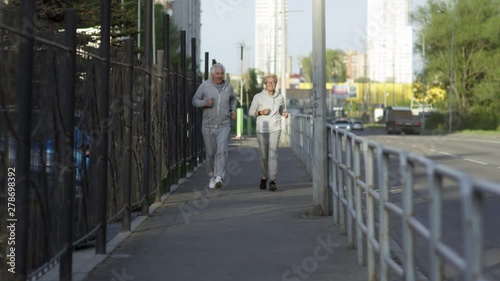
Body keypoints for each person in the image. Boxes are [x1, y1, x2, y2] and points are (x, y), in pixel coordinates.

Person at [192, 63, 237, 189]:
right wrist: (205, 102)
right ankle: (212, 176)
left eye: (222, 73)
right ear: (212, 74)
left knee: (221, 151)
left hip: (224, 124)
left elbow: (233, 99)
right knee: (211, 153)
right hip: (208, 125)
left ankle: (219, 177)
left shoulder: (228, 86)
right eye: (217, 74)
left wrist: (233, 110)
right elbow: (194, 100)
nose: (220, 76)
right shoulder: (204, 86)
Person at [248, 74, 288, 192]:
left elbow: (281, 109)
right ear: (265, 84)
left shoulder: (280, 97)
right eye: (268, 82)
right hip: (262, 130)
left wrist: (284, 113)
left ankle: (273, 180)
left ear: (276, 84)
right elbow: (251, 112)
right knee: (264, 156)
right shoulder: (258, 97)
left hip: (275, 128)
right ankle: (263, 177)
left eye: (273, 82)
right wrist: (261, 112)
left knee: (273, 154)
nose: (271, 84)